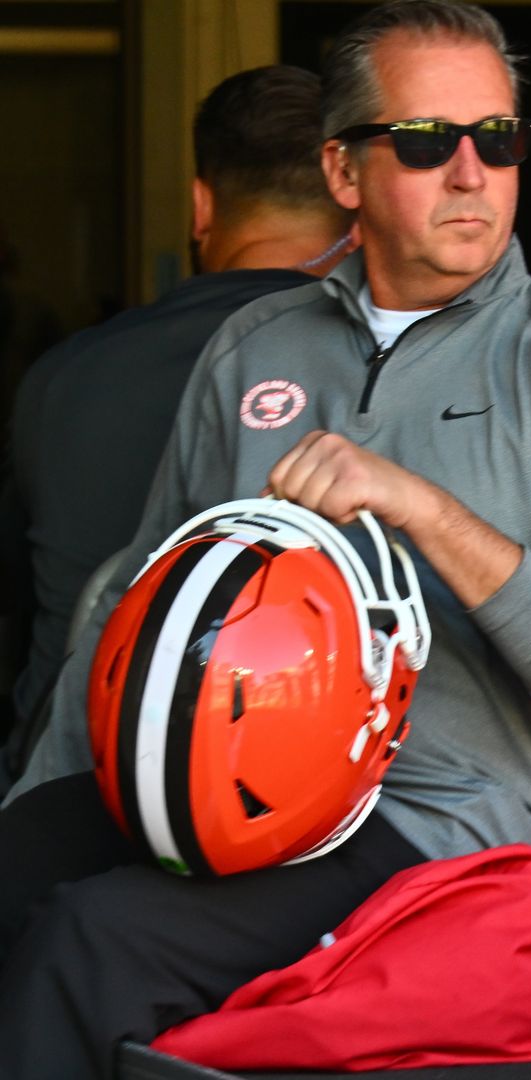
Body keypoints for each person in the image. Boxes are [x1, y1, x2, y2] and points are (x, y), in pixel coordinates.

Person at [0, 3, 531, 1075]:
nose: (471, 174)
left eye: (498, 139)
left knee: (94, 942)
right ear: (342, 171)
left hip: (444, 813)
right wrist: (41, 795)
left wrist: (419, 508)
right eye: (426, 142)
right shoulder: (255, 343)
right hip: (222, 768)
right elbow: (142, 597)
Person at [1, 65, 358, 788]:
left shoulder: (64, 376)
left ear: (201, 207)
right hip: (294, 797)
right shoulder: (388, 374)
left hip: (71, 785)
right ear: (356, 206)